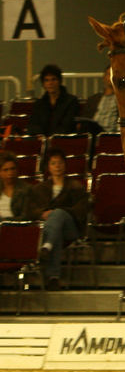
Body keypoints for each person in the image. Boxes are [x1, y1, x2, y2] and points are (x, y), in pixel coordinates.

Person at [27, 147, 89, 290]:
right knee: (56, 233)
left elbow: (82, 210)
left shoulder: (76, 186)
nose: (57, 166)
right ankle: (54, 277)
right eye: (54, 163)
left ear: (65, 165)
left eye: (60, 163)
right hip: (50, 229)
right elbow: (31, 210)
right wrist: (42, 214)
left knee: (58, 214)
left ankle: (46, 247)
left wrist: (57, 212)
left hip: (72, 228)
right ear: (48, 167)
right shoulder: (39, 189)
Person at [26, 64, 79, 136]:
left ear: (59, 81)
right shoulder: (39, 104)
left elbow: (67, 125)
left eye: (53, 79)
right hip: (42, 140)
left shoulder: (71, 101)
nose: (50, 83)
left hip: (62, 140)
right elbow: (33, 124)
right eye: (46, 80)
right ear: (43, 84)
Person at [78, 65, 118, 134]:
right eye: (109, 74)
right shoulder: (93, 99)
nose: (111, 77)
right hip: (93, 132)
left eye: (114, 74)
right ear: (104, 77)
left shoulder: (123, 100)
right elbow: (85, 118)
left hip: (112, 134)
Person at [0, 151, 31, 220]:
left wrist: (4, 221)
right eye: (5, 170)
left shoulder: (26, 189)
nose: (10, 173)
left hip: (14, 227)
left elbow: (25, 216)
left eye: (12, 169)